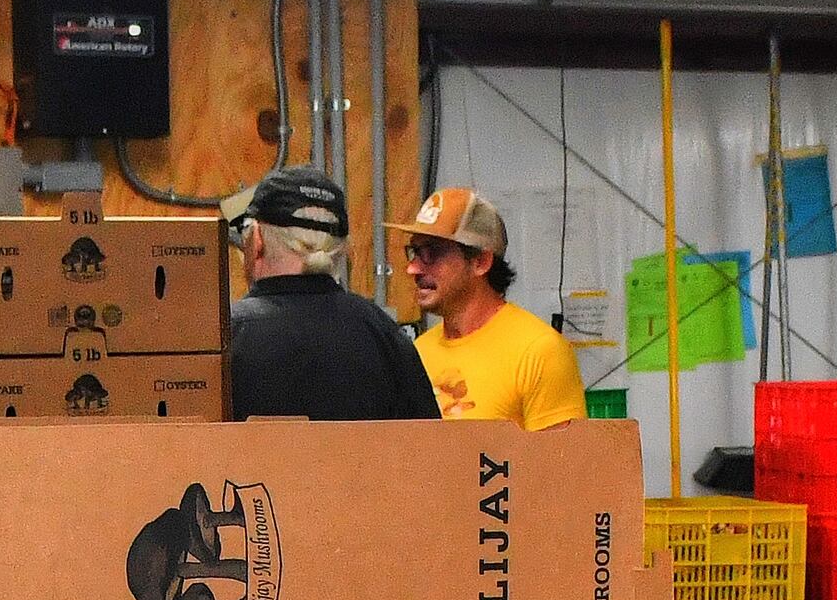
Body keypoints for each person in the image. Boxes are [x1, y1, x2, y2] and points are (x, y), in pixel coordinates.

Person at [221, 164, 440, 422]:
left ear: (256, 239)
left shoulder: (224, 336)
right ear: (342, 249)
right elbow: (430, 448)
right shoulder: (383, 335)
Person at [397, 187, 584, 428]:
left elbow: (562, 463)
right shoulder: (417, 354)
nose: (412, 269)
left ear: (480, 262)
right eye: (414, 252)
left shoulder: (539, 351)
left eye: (432, 253)